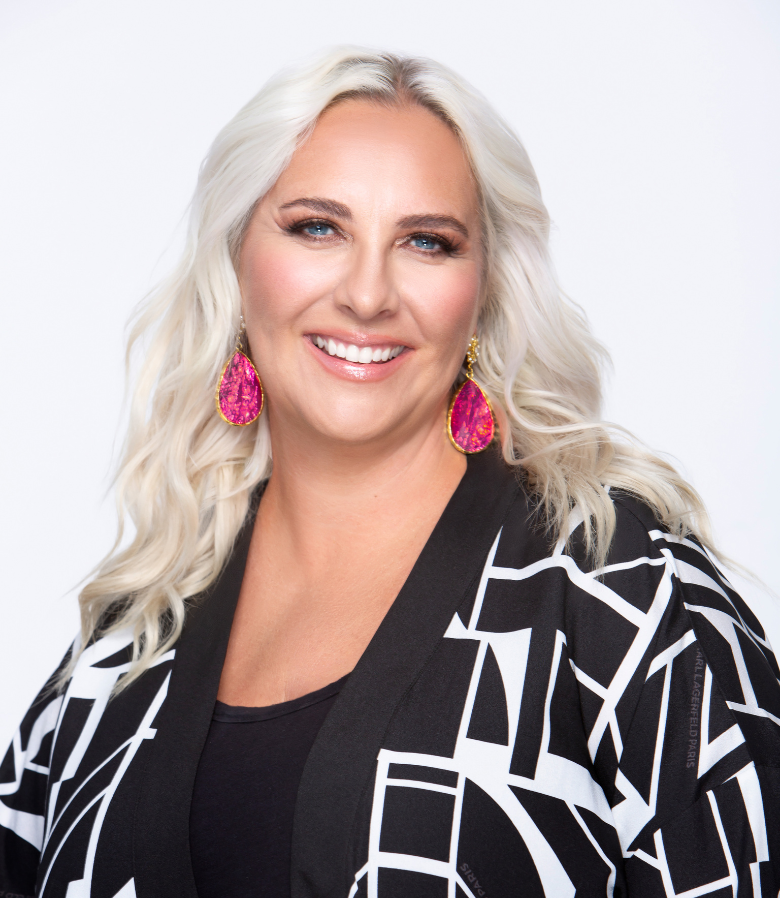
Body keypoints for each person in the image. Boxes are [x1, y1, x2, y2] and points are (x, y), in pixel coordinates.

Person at [1, 47, 778, 898]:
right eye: (317, 228)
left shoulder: (616, 590)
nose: (368, 294)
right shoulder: (127, 643)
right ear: (235, 265)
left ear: (480, 292)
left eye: (427, 242)